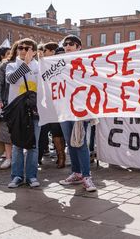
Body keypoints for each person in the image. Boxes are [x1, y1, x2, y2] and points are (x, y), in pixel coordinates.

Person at [58, 35, 97, 192]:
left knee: (80, 142)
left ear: (79, 47)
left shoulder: (86, 62)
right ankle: (77, 172)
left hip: (80, 108)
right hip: (64, 108)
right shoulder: (58, 63)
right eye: (66, 44)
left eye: (72, 44)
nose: (68, 46)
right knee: (70, 142)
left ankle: (87, 176)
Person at [5, 38, 41, 188]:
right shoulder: (11, 66)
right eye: (20, 47)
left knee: (33, 145)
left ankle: (32, 176)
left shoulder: (40, 66)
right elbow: (12, 79)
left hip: (35, 109)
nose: (23, 50)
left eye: (27, 48)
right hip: (17, 110)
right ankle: (17, 176)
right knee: (17, 144)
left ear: (33, 50)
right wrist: (25, 64)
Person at [37, 42, 66, 168]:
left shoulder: (67, 66)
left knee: (63, 131)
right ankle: (58, 156)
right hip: (49, 103)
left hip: (64, 103)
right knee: (52, 130)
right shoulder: (45, 65)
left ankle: (62, 156)